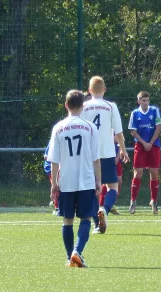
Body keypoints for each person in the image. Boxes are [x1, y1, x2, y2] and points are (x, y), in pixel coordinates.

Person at [48, 89, 101, 268]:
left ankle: (70, 256)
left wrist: (54, 183)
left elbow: (54, 160)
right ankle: (77, 251)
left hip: (66, 181)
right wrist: (98, 181)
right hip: (85, 180)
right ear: (83, 106)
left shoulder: (58, 127)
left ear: (66, 105)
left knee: (67, 220)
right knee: (86, 218)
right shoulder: (90, 127)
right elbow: (96, 158)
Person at [81, 76, 129, 234]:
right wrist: (123, 149)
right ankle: (105, 209)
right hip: (107, 153)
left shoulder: (84, 106)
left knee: (90, 189)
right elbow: (119, 133)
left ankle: (97, 224)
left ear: (89, 91)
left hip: (89, 155)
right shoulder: (111, 106)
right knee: (112, 187)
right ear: (105, 90)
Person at [128, 91, 161, 215]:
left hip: (153, 145)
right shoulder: (135, 113)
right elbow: (133, 131)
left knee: (154, 173)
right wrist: (144, 143)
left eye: (147, 100)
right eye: (143, 100)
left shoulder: (154, 111)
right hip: (140, 146)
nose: (146, 103)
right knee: (138, 173)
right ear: (139, 101)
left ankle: (154, 201)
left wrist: (151, 143)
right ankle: (133, 201)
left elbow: (158, 128)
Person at [43, 144, 59, 215]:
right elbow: (46, 157)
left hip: (59, 168)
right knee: (57, 186)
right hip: (51, 168)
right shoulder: (54, 141)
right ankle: (57, 208)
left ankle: (55, 204)